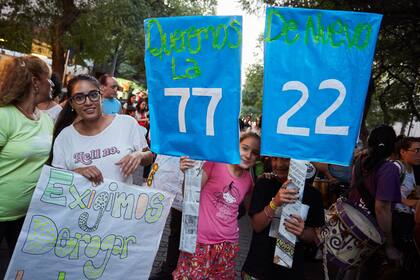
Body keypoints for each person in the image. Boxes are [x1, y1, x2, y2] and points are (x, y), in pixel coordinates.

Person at [173, 132, 261, 280]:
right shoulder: (215, 164)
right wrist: (187, 174)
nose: (248, 155)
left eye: (254, 153)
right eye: (245, 148)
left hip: (228, 245)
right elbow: (189, 195)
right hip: (199, 241)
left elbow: (252, 212)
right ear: (235, 146)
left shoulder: (249, 182)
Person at [49, 74, 153, 185]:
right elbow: (56, 179)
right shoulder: (65, 137)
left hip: (121, 201)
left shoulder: (127, 123)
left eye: (93, 95)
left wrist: (139, 155)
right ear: (71, 103)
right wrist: (76, 173)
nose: (88, 102)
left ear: (100, 96)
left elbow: (149, 156)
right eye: (79, 98)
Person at [0, 55, 53, 263]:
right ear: (35, 81)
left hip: (27, 215)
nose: (52, 84)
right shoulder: (5, 116)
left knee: (22, 268)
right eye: (48, 78)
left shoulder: (46, 120)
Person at [241, 157, 324, 280]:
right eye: (274, 159)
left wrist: (302, 232)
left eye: (285, 159)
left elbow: (314, 235)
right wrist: (275, 203)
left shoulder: (313, 194)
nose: (278, 164)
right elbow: (257, 226)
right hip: (258, 267)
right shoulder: (264, 184)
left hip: (292, 271)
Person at [347, 125, 402, 278]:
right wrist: (389, 244)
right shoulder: (389, 169)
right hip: (372, 232)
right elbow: (382, 208)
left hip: (352, 224)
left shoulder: (360, 160)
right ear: (393, 146)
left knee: (349, 269)